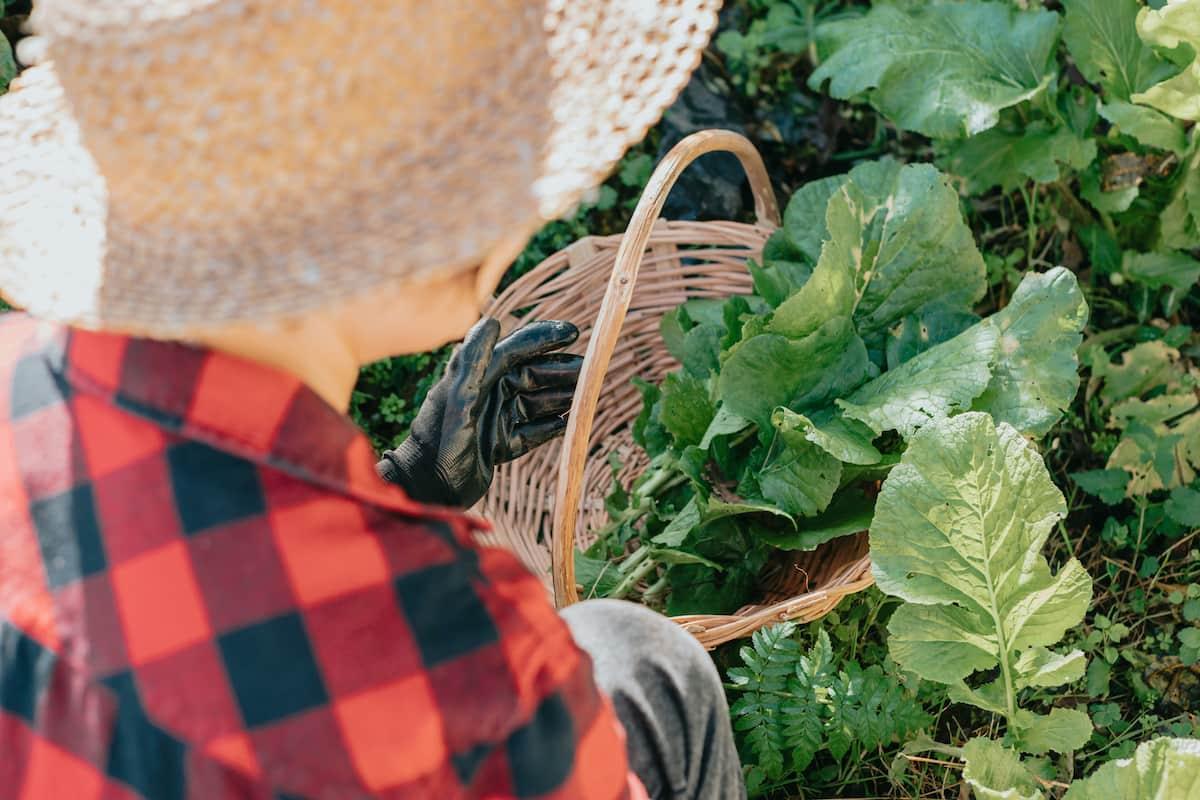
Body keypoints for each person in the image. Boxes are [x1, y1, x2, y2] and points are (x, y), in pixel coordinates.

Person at [0, 1, 745, 799]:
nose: (539, 204)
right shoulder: (466, 677)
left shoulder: (17, 374)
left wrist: (410, 482)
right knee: (651, 666)